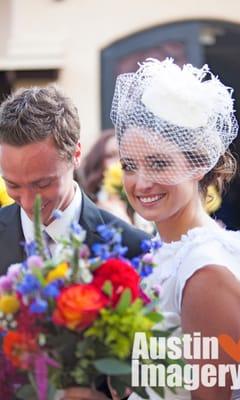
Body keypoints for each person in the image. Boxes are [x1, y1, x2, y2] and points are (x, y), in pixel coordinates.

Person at [110, 58, 240, 400]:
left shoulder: (206, 271)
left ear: (199, 163)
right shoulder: (174, 250)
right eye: (129, 165)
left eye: (159, 163)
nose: (140, 182)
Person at [0, 85, 148, 400]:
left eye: (43, 183)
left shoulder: (134, 248)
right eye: (12, 184)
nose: (28, 202)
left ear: (76, 154)